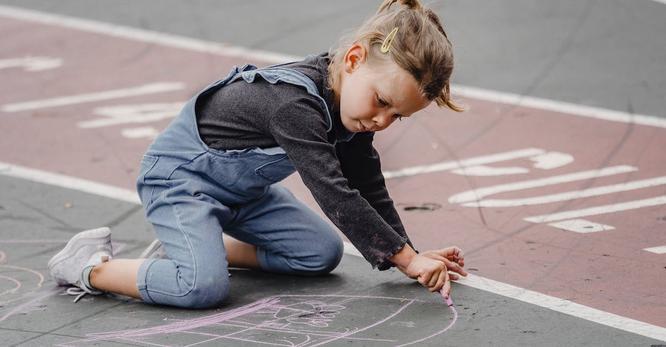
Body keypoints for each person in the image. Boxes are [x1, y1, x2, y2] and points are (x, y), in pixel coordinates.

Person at [48, 0, 468, 308]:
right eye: (381, 101)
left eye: (398, 116)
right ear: (355, 59)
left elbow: (367, 184)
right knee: (200, 288)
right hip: (180, 183)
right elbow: (335, 193)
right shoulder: (293, 104)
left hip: (242, 195)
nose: (382, 120)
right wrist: (407, 260)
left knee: (321, 253)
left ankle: (197, 245)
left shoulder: (353, 112)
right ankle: (87, 266)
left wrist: (407, 252)